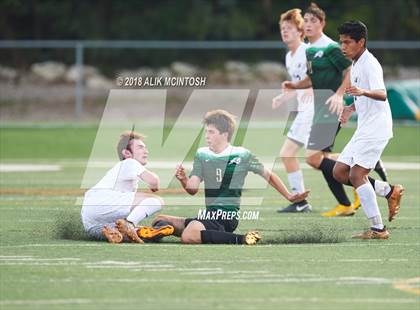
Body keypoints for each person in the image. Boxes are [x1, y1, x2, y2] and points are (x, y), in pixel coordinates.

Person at [282, 3, 387, 217]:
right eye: (306, 21)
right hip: (320, 107)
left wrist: (340, 95)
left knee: (313, 158)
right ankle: (358, 193)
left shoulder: (331, 48)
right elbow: (312, 79)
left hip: (330, 107)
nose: (308, 25)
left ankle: (375, 191)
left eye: (313, 21)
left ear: (322, 23)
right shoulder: (310, 50)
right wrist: (293, 86)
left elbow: (348, 69)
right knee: (322, 158)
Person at [144, 109, 309, 245]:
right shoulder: (202, 154)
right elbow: (192, 189)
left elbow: (268, 175)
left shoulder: (241, 154)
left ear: (224, 134)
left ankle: (243, 239)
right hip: (209, 217)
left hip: (226, 217)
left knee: (189, 237)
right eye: (206, 131)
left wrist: (289, 195)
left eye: (211, 132)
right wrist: (183, 179)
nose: (206, 136)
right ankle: (170, 232)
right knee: (160, 219)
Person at [333, 20, 404, 239]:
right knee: (339, 172)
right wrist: (351, 107)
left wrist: (362, 92)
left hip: (376, 128)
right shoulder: (356, 63)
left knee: (357, 174)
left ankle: (378, 229)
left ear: (361, 42)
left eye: (347, 42)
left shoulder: (370, 63)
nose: (343, 47)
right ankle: (388, 191)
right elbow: (363, 95)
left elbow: (382, 94)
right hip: (365, 127)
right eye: (341, 42)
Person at [81, 131, 173, 243]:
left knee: (128, 234)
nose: (146, 151)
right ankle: (129, 224)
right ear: (126, 153)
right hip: (101, 202)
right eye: (140, 147)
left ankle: (117, 232)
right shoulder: (129, 162)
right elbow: (154, 181)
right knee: (157, 200)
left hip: (90, 220)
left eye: (145, 148)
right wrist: (154, 185)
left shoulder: (122, 170)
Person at [272, 8, 314, 213]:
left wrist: (314, 89)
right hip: (305, 112)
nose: (284, 31)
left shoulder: (308, 51)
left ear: (300, 31)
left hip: (314, 111)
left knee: (313, 158)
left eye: (289, 28)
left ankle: (359, 170)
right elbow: (297, 86)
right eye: (282, 28)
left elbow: (321, 76)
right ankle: (300, 201)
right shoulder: (290, 56)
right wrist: (283, 96)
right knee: (291, 155)